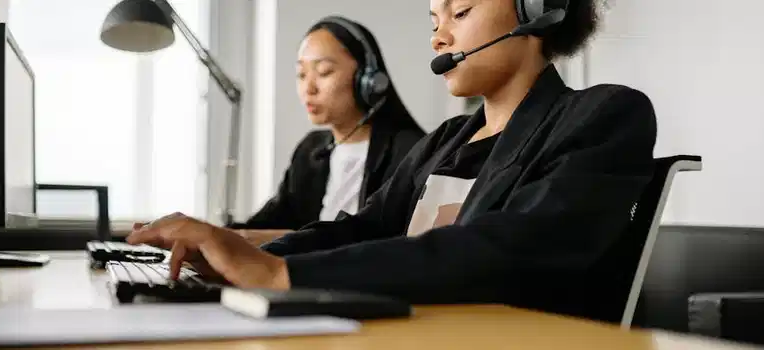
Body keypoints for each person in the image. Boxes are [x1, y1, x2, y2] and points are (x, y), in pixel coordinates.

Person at [128, 0, 658, 324]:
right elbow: (363, 230)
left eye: (461, 12)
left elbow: (510, 248)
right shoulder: (448, 140)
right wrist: (232, 258)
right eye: (434, 17)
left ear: (536, 9)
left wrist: (281, 273)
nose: (439, 36)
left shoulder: (603, 115)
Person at [228, 16, 425, 245]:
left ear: (368, 80)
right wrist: (213, 235)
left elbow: (381, 243)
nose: (308, 88)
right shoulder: (312, 150)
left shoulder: (410, 152)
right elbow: (266, 223)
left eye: (323, 72)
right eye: (301, 74)